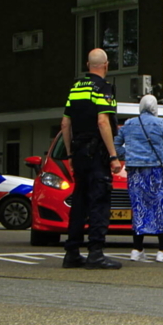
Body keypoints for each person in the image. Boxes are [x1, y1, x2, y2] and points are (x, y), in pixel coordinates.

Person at [61, 48, 122, 270]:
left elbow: (65, 124)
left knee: (79, 202)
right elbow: (103, 122)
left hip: (78, 153)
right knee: (99, 202)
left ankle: (72, 252)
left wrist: (69, 154)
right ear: (106, 65)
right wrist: (113, 156)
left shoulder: (76, 88)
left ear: (88, 65)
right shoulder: (104, 88)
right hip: (97, 155)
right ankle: (96, 253)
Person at [114, 94, 163, 263]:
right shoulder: (162, 124)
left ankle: (137, 250)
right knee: (162, 207)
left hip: (135, 171)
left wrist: (127, 155)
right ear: (154, 108)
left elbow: (116, 145)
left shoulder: (129, 124)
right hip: (157, 171)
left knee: (139, 207)